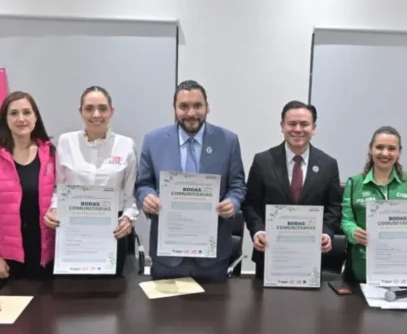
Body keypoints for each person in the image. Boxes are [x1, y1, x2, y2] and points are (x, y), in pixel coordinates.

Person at [135, 80, 247, 280]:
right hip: (167, 254)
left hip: (212, 256)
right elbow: (143, 184)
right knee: (164, 302)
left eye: (197, 105)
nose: (191, 113)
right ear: (174, 109)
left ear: (207, 107)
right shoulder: (153, 140)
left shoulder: (228, 141)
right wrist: (147, 197)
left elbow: (237, 185)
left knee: (214, 302)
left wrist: (233, 202)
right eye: (184, 106)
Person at [43, 86, 139, 276]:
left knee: (111, 290)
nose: (96, 115)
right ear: (81, 111)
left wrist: (128, 218)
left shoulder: (126, 145)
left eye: (102, 108)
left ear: (111, 111)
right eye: (89, 108)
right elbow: (58, 188)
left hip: (112, 232)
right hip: (73, 231)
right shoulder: (66, 142)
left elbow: (130, 195)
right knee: (72, 289)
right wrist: (53, 209)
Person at [242, 100, 341, 279]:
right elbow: (250, 204)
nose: (298, 129)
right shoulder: (263, 161)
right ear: (282, 126)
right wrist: (258, 231)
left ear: (314, 128)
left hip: (311, 256)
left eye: (304, 124)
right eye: (292, 123)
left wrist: (326, 233)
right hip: (270, 254)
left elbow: (334, 206)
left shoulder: (328, 164)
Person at [0, 91, 56, 294]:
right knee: (11, 313)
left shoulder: (50, 152)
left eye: (27, 112)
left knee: (47, 310)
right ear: (5, 119)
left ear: (35, 117)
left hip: (44, 254)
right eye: (14, 113)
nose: (21, 119)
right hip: (4, 258)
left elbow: (60, 193)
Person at [340, 126, 407, 283]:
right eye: (379, 147)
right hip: (362, 264)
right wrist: (353, 231)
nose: (385, 153)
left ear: (399, 152)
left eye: (391, 148)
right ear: (370, 149)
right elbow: (346, 219)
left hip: (402, 266)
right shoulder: (354, 183)